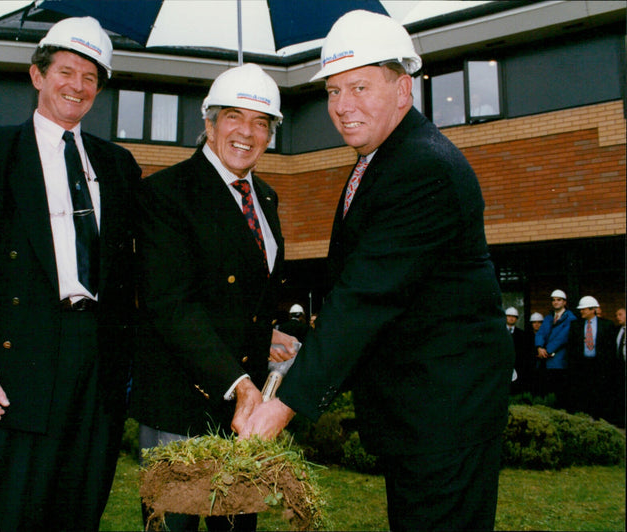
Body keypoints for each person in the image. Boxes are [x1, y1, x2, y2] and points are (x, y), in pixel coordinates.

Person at [240, 10, 513, 531]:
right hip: (422, 412)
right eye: (333, 91)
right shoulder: (382, 158)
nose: (342, 107)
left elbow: (365, 298)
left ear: (403, 89)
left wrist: (280, 410)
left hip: (443, 415)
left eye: (360, 87)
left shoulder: (420, 168)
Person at [0, 17, 141, 531]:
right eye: (66, 72)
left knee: (81, 505)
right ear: (37, 75)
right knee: (12, 508)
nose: (77, 86)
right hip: (21, 357)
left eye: (90, 78)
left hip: (98, 360)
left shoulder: (119, 166)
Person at [132, 63, 297, 531]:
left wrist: (269, 334)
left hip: (244, 419)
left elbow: (247, 294)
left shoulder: (265, 197)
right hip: (181, 407)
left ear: (271, 134)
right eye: (234, 117)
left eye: (260, 122)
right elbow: (170, 304)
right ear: (208, 124)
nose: (247, 132)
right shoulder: (165, 194)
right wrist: (240, 383)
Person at [566, 296, 616, 420]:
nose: (581, 311)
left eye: (584, 309)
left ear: (593, 309)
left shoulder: (607, 325)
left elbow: (611, 348)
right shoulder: (575, 325)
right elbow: (571, 347)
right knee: (583, 392)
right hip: (582, 365)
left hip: (600, 365)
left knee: (599, 392)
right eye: (581, 309)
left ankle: (599, 418)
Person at [534, 289, 576, 406]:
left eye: (558, 300)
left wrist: (547, 350)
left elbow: (563, 337)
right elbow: (540, 333)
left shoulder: (570, 318)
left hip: (559, 360)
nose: (555, 302)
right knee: (546, 391)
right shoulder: (548, 317)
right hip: (544, 359)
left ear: (564, 302)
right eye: (553, 300)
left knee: (559, 392)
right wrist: (539, 347)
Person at [506, 307, 534, 395]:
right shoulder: (500, 333)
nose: (511, 318)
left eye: (514, 316)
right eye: (509, 316)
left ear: (517, 319)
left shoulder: (522, 335)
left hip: (517, 365)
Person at [612, 307, 626, 427]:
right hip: (619, 366)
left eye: (620, 314)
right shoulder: (618, 330)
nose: (618, 317)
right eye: (616, 315)